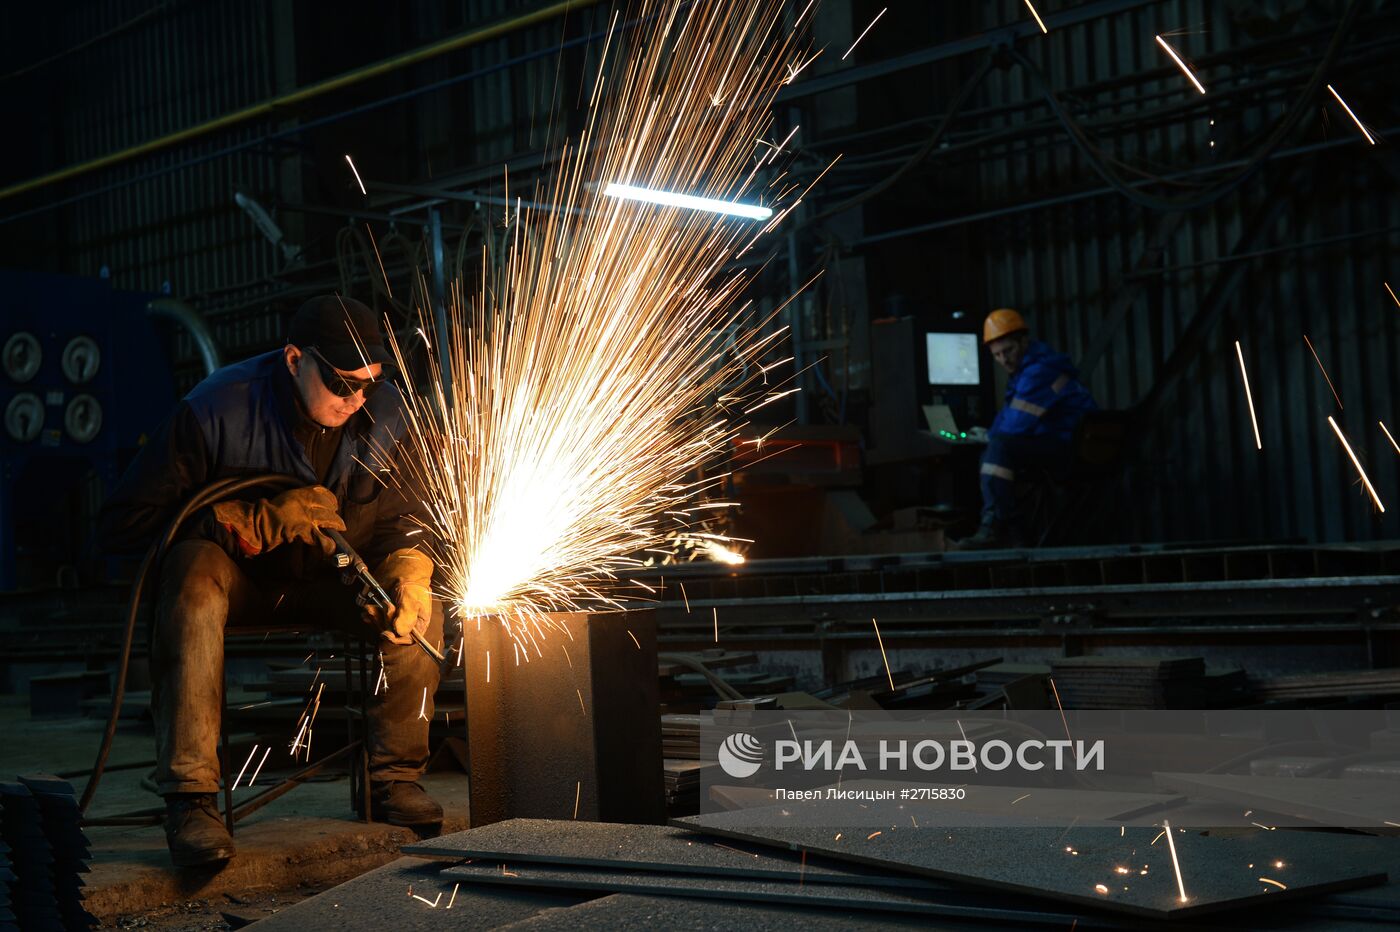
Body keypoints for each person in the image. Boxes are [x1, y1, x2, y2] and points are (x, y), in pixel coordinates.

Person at [98, 295, 444, 867]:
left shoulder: (385, 414)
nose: (356, 400)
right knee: (190, 576)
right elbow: (121, 527)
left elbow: (409, 519)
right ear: (294, 360)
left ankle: (395, 779)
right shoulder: (218, 409)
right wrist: (242, 523)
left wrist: (411, 567)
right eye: (342, 383)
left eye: (369, 384)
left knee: (423, 606)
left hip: (335, 581)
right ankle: (192, 799)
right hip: (243, 583)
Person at [956, 308, 1097, 550]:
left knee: (999, 449)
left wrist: (991, 439)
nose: (1004, 360)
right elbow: (1010, 416)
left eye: (1008, 350)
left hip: (1069, 447)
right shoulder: (1028, 371)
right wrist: (990, 436)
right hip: (1064, 441)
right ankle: (1011, 532)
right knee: (996, 448)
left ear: (1023, 341)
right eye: (997, 355)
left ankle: (997, 527)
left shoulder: (1039, 372)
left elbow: (1015, 426)